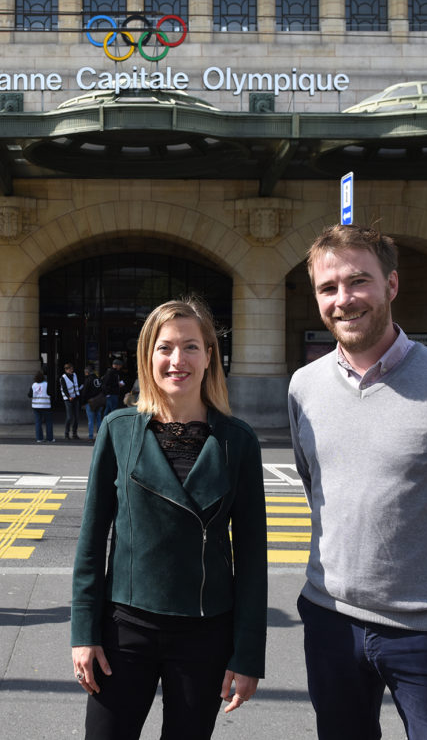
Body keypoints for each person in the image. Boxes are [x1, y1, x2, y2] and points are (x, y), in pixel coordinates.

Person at [287, 224, 427, 739]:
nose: (343, 300)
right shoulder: (304, 387)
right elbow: (316, 486)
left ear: (391, 285)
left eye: (358, 282)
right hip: (330, 619)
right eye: (328, 288)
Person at [71, 298, 267, 740]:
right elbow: (91, 540)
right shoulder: (118, 429)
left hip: (205, 633)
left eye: (191, 347)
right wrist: (84, 633)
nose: (177, 360)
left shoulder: (238, 441)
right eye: (165, 348)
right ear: (148, 356)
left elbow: (253, 556)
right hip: (124, 629)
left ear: (209, 356)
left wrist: (248, 654)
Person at [80, 365, 104, 440]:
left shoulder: (88, 380)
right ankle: (100, 436)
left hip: (90, 402)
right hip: (99, 401)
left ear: (87, 372)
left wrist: (82, 402)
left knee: (90, 420)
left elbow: (85, 392)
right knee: (99, 419)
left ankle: (91, 436)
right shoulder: (98, 379)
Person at [59, 362, 82, 440]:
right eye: (70, 369)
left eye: (72, 369)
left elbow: (77, 385)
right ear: (66, 369)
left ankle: (74, 433)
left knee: (77, 417)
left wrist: (78, 395)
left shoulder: (74, 375)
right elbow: (64, 389)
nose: (72, 370)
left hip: (75, 398)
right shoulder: (63, 378)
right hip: (68, 399)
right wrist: (69, 397)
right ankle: (66, 433)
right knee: (69, 417)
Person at [31, 370, 55, 442]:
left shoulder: (34, 385)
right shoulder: (46, 384)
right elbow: (51, 393)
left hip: (36, 406)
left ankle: (39, 438)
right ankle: (49, 438)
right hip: (46, 406)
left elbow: (29, 394)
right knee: (48, 422)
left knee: (38, 422)